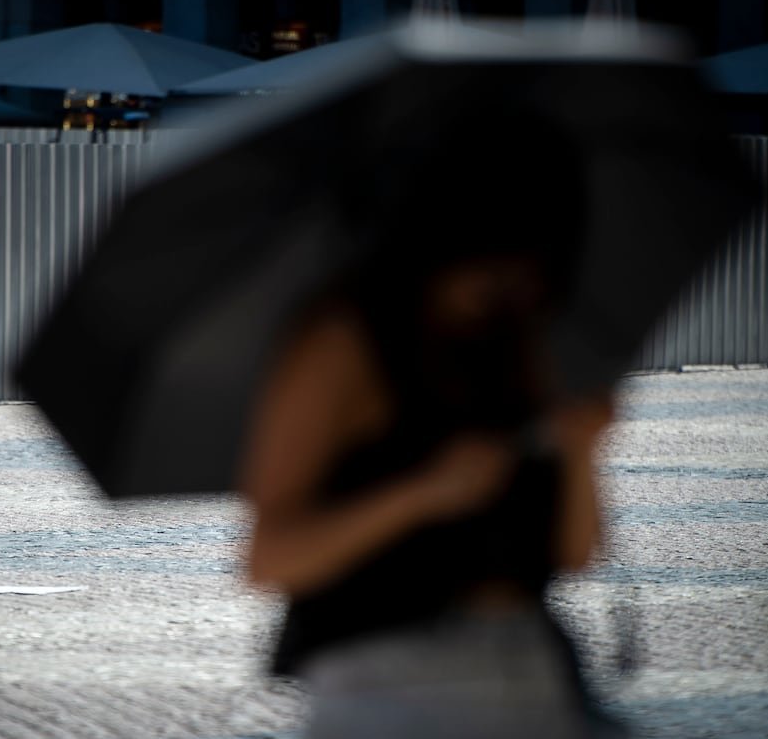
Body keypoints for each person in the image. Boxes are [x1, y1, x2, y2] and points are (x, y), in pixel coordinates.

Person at [237, 123, 625, 737]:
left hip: (529, 665)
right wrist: (421, 493)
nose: (521, 282)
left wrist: (582, 454)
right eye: (503, 255)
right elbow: (269, 560)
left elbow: (572, 557)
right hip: (388, 679)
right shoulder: (342, 344)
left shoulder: (517, 338)